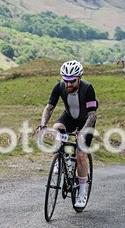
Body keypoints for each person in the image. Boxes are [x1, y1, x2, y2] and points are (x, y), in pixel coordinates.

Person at [35, 60, 97, 208]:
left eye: (72, 81)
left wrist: (83, 132)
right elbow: (49, 108)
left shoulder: (88, 89)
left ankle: (82, 191)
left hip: (86, 121)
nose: (68, 84)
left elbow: (92, 115)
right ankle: (64, 158)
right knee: (56, 127)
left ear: (79, 78)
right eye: (66, 81)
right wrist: (43, 125)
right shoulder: (59, 86)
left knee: (81, 155)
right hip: (69, 116)